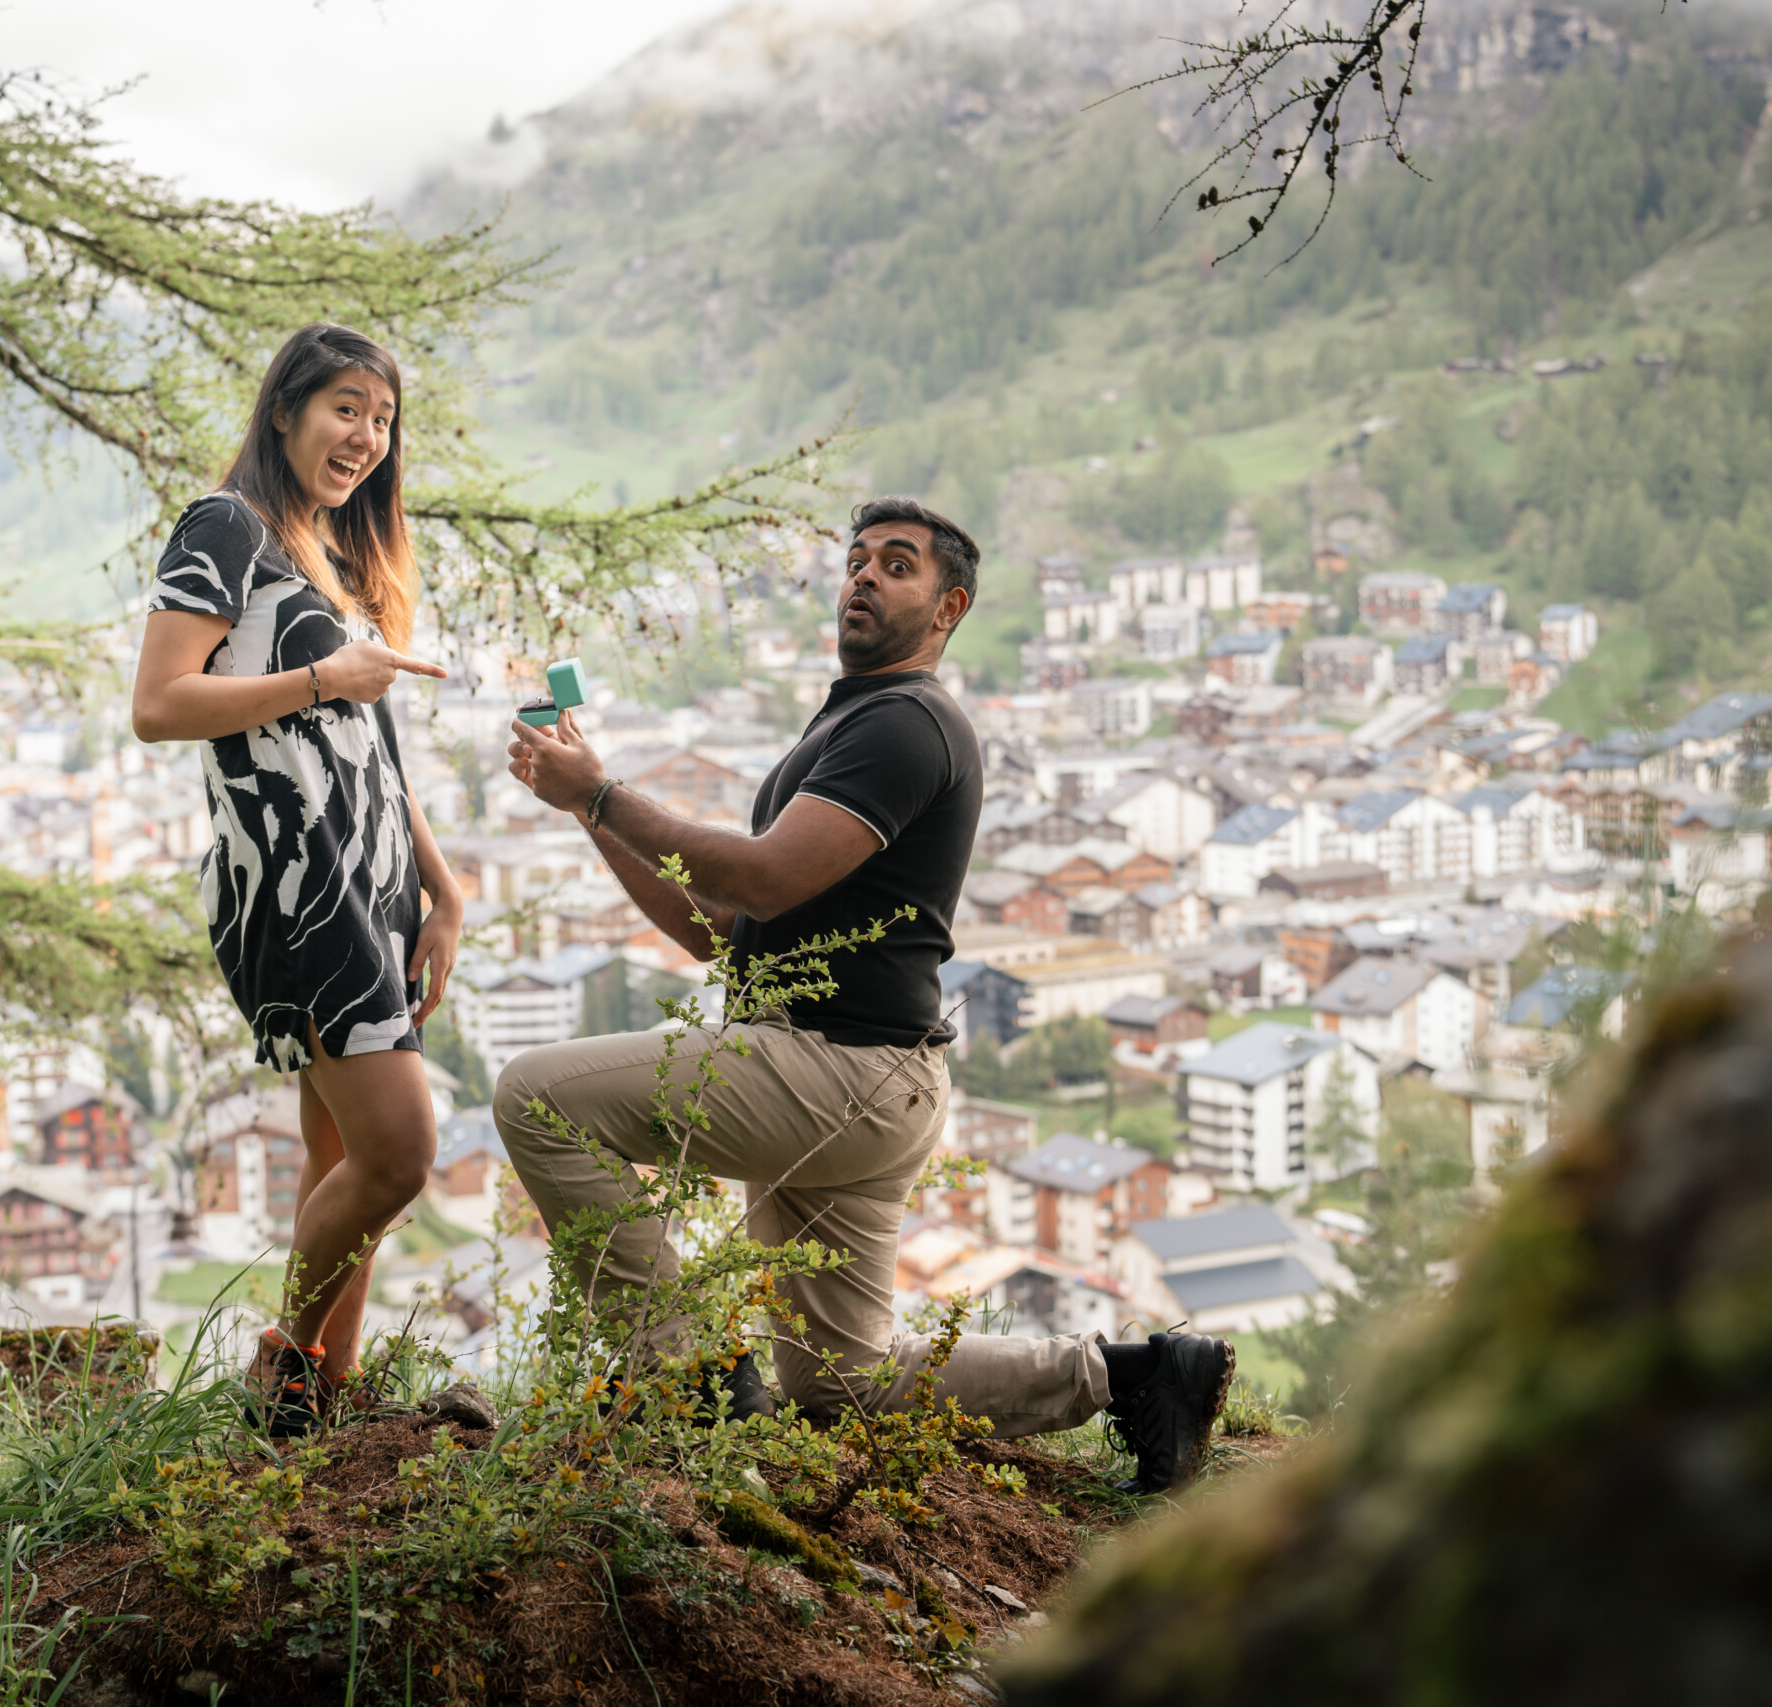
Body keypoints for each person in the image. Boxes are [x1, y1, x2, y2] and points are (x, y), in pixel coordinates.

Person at [496, 497, 1234, 1494]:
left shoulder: (906, 726)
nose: (863, 578)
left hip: (838, 1069)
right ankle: (1137, 1375)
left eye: (896, 564)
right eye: (855, 561)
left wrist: (599, 792)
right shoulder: (852, 726)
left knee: (533, 1096)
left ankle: (689, 1381)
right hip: (858, 1082)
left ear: (947, 608)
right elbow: (721, 930)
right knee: (839, 1382)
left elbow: (754, 876)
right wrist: (590, 814)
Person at [131, 322, 460, 1435]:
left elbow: (365, 746)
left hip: (372, 884)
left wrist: (442, 888)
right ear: (285, 412)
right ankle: (280, 1372)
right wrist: (326, 669)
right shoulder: (225, 527)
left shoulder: (330, 550)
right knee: (401, 1153)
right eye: (345, 408)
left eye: (382, 418)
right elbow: (159, 705)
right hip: (291, 882)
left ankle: (325, 1414)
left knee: (344, 1164)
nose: (366, 435)